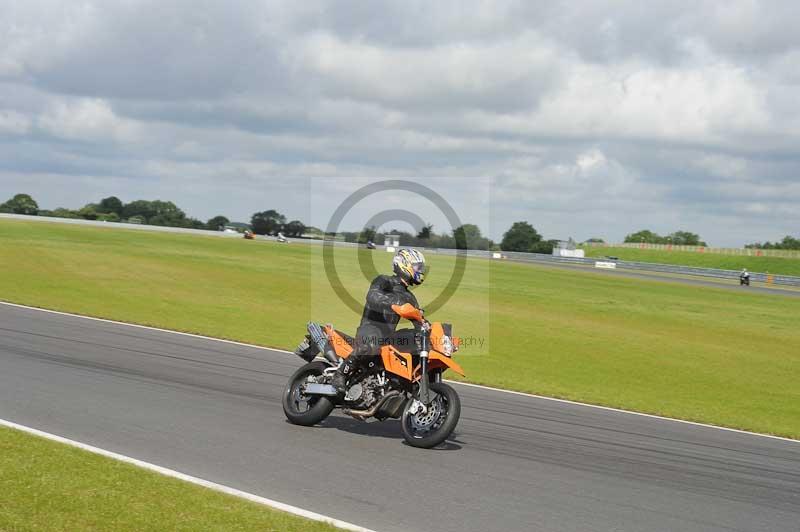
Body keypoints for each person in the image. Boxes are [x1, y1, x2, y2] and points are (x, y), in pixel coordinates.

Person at [330, 248, 427, 394]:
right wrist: (394, 304)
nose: (420, 270)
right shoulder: (384, 281)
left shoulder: (410, 298)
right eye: (417, 266)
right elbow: (372, 296)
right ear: (404, 264)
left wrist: (427, 328)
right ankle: (340, 374)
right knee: (371, 343)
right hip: (370, 328)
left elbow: (419, 320)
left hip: (388, 338)